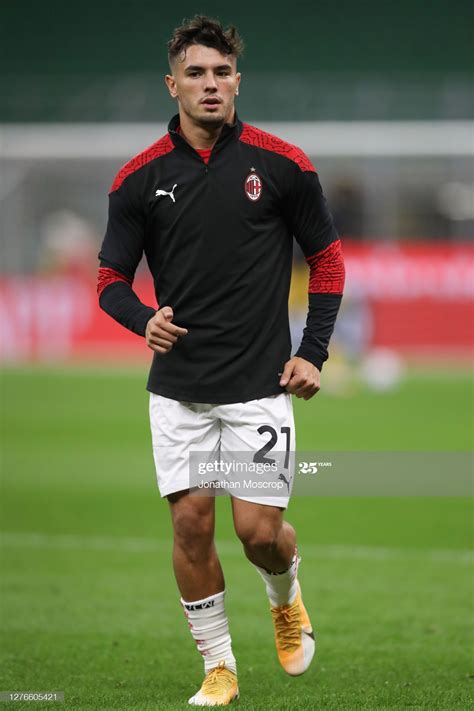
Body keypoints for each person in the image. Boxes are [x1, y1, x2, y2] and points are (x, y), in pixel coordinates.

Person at [97, 16, 345, 707]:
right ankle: (219, 666)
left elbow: (326, 258)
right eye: (196, 73)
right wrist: (143, 319)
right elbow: (108, 279)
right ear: (171, 83)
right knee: (191, 524)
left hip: (259, 386)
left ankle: (284, 591)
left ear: (239, 79)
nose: (210, 84)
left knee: (258, 533)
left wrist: (313, 352)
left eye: (222, 71)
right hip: (178, 390)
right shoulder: (138, 180)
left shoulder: (283, 164)